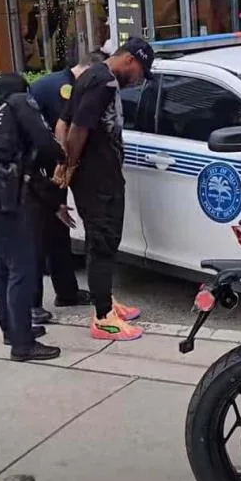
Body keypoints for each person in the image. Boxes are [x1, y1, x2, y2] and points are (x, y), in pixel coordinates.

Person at [0, 73, 72, 362]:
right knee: (22, 265)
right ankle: (23, 345)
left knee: (1, 266)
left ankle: (13, 331)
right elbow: (45, 144)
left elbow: (29, 173)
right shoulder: (20, 102)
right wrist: (64, 156)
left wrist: (53, 202)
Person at [54, 36, 155, 341]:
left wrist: (65, 163)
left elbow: (62, 122)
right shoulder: (104, 83)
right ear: (129, 60)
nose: (137, 80)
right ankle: (103, 319)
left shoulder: (89, 75)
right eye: (140, 72)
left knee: (103, 242)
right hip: (99, 180)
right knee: (103, 243)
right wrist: (70, 165)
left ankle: (105, 300)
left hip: (95, 178)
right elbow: (78, 128)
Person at [26, 51, 109, 323]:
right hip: (40, 168)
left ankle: (67, 292)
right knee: (40, 235)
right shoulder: (60, 88)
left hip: (53, 165)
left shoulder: (68, 84)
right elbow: (64, 130)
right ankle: (33, 305)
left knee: (57, 230)